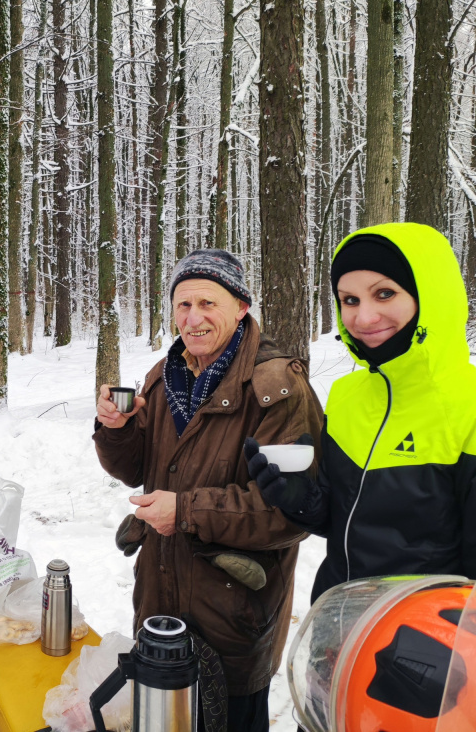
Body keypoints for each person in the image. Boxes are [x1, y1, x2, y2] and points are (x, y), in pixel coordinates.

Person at [94, 249, 324, 732]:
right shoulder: (165, 376)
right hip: (160, 597)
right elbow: (138, 468)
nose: (192, 319)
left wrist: (186, 510)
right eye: (182, 305)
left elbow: (289, 511)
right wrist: (116, 428)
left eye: (207, 304)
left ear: (241, 307)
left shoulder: (277, 386)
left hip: (233, 612)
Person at [247, 222, 476, 605]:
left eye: (385, 293)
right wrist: (302, 499)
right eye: (350, 300)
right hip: (340, 627)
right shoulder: (347, 396)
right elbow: (351, 521)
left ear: (431, 296)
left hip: (432, 650)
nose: (364, 318)